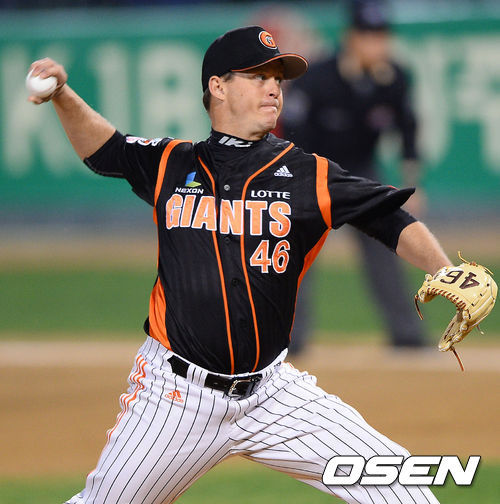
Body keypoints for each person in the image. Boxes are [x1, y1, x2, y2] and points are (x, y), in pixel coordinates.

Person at [28, 25, 448, 504]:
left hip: (275, 396)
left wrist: (444, 269)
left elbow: (390, 217)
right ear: (218, 86)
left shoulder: (306, 174)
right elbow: (105, 150)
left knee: (406, 490)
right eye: (258, 75)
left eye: (277, 78)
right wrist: (62, 95)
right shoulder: (172, 164)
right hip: (176, 398)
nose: (274, 88)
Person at [283, 0, 426, 352]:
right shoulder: (316, 78)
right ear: (351, 38)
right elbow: (292, 133)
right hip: (312, 169)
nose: (377, 43)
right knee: (297, 253)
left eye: (381, 35)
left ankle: (406, 333)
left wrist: (414, 182)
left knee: (385, 243)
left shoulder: (394, 78)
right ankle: (289, 338)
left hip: (362, 170)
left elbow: (408, 131)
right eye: (368, 35)